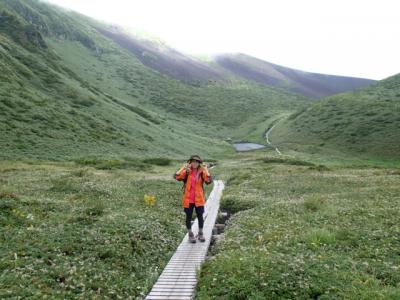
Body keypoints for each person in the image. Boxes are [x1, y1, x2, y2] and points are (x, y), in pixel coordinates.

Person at [174, 155, 213, 243]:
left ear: (199, 163)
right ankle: (190, 234)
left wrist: (206, 170)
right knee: (188, 217)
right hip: (188, 199)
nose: (194, 163)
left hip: (199, 199)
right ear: (190, 162)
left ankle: (200, 233)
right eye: (193, 161)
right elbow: (177, 176)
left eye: (196, 161)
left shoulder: (202, 171)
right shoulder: (187, 171)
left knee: (200, 216)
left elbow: (208, 181)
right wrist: (182, 168)